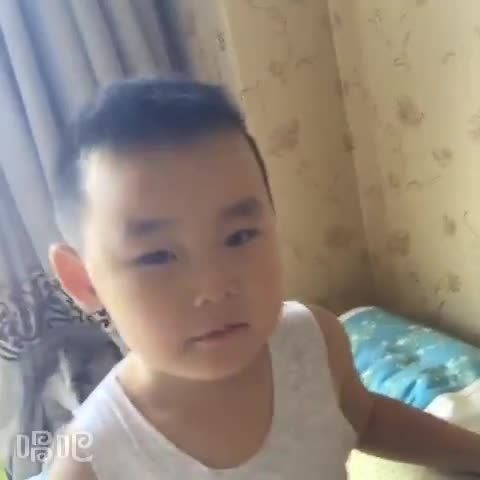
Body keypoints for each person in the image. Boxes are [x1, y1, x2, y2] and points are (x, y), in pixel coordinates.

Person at [46, 78, 480, 479]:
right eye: (158, 256)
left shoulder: (314, 341)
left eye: (239, 236)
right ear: (84, 281)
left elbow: (362, 418)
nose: (214, 287)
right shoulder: (90, 459)